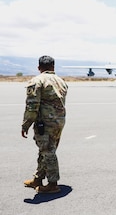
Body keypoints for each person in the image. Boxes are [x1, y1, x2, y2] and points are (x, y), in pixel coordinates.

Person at [21, 55, 68, 194]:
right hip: (59, 121)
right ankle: (38, 178)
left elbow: (32, 106)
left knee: (48, 151)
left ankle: (53, 184)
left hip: (45, 123)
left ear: (39, 67)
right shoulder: (61, 81)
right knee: (46, 150)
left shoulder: (37, 81)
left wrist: (26, 124)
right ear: (53, 67)